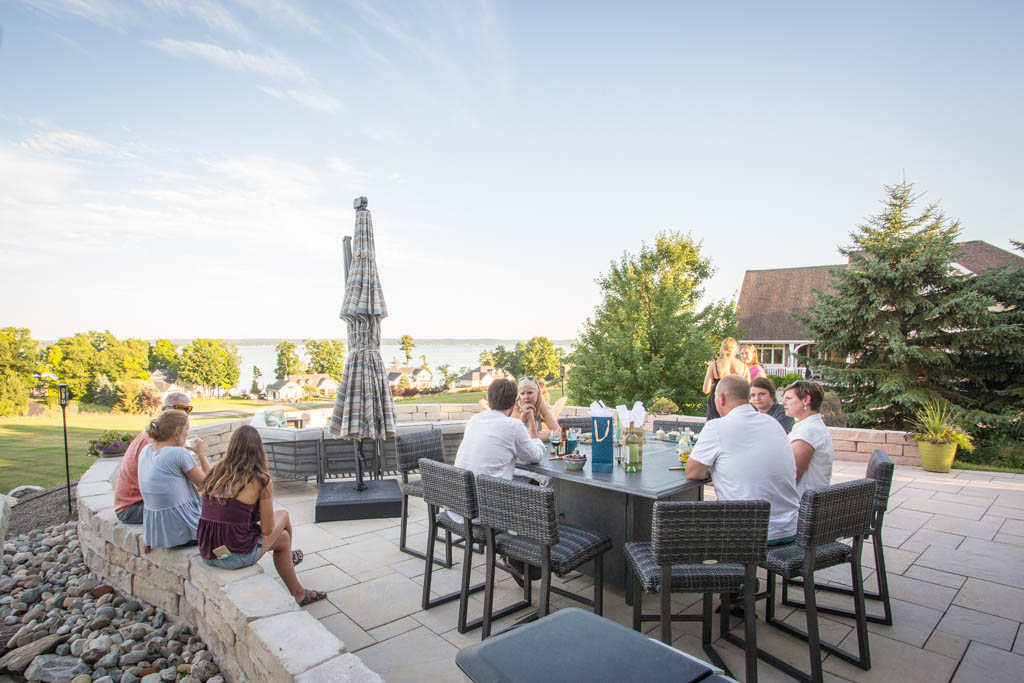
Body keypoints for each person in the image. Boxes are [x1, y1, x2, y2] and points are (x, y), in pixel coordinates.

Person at [198, 426, 326, 606]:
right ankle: (297, 589)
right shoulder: (260, 480)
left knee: (282, 536)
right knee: (283, 522)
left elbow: (224, 510)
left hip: (209, 551)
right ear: (259, 448)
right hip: (235, 556)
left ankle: (296, 581)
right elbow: (266, 529)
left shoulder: (217, 471)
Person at [452, 378, 546, 584]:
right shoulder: (513, 426)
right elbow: (534, 456)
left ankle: (518, 556)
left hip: (460, 506)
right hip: (486, 512)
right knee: (537, 495)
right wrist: (535, 435)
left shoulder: (475, 420)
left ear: (489, 399)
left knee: (525, 486)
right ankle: (522, 555)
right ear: (515, 402)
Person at [685, 375, 799, 545]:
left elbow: (693, 472)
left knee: (686, 524)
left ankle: (708, 569)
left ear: (721, 398)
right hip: (789, 528)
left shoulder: (717, 427)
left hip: (749, 534)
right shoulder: (772, 423)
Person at [114, 392, 193, 524]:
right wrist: (201, 455)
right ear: (164, 410)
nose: (184, 413)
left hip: (142, 502)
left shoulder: (156, 437)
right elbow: (196, 482)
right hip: (133, 508)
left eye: (187, 409)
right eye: (179, 408)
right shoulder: (155, 444)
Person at [137, 408, 210, 549]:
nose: (187, 433)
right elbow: (208, 485)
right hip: (185, 531)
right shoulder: (178, 453)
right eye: (186, 429)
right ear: (177, 431)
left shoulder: (146, 451)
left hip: (157, 534)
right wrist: (202, 454)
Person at [782, 380, 834, 497]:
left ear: (806, 400)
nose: (783, 403)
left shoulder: (808, 432)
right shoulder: (809, 426)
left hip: (803, 504)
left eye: (788, 398)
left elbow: (791, 477)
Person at [702, 337, 750, 421]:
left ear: (722, 348)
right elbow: (748, 391)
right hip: (736, 404)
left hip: (717, 404)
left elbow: (706, 390)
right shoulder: (743, 367)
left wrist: (714, 386)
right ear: (735, 349)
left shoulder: (714, 365)